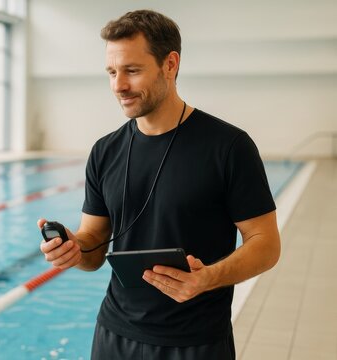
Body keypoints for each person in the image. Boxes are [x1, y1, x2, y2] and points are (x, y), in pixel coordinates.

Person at [38, 9, 280, 359]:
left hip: (195, 342)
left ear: (170, 64)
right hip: (114, 335)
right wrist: (73, 249)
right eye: (112, 72)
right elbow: (92, 248)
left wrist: (207, 278)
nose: (118, 85)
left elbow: (266, 243)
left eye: (132, 71)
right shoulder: (105, 151)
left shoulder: (228, 146)